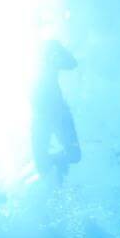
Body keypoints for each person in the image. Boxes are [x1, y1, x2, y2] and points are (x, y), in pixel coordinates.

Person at [32, 40, 81, 183]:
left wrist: (56, 49)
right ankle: (58, 168)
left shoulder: (50, 54)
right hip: (42, 115)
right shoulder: (34, 63)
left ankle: (58, 165)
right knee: (43, 164)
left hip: (57, 112)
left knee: (74, 154)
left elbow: (72, 63)